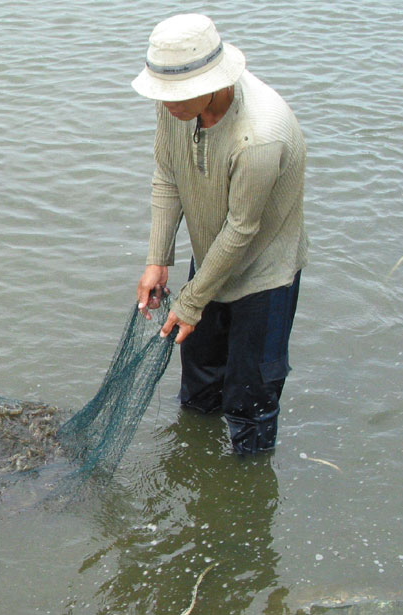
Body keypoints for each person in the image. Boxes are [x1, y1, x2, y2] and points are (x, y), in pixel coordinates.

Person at [131, 14, 308, 454]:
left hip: (264, 275)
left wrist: (191, 301)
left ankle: (246, 492)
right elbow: (168, 175)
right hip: (210, 257)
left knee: (251, 397)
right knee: (199, 386)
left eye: (175, 94)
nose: (166, 103)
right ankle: (196, 462)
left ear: (212, 80)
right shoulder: (177, 103)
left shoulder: (260, 136)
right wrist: (158, 259)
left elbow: (242, 229)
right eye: (162, 92)